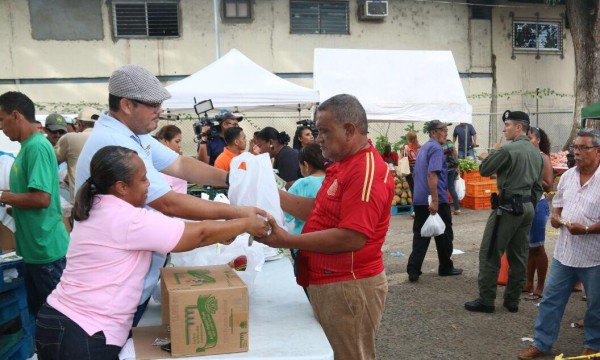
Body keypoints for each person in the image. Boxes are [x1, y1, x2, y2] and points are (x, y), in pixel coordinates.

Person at [35, 146, 269, 360]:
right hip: (82, 333)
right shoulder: (125, 218)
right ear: (122, 187)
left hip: (64, 323)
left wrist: (224, 228)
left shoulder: (100, 206)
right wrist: (244, 224)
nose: (149, 185)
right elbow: (198, 235)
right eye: (144, 179)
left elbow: (190, 233)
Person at [75, 64, 264, 326]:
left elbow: (180, 165)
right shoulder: (116, 142)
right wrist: (239, 215)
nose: (159, 111)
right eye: (153, 105)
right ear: (127, 105)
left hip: (123, 281)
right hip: (109, 291)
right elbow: (168, 203)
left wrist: (232, 178)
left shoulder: (133, 136)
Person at [256, 94, 393, 360]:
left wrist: (287, 240)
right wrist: (270, 194)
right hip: (331, 281)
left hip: (348, 284)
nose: (318, 138)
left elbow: (352, 237)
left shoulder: (366, 171)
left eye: (324, 132)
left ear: (349, 130)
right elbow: (319, 210)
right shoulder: (343, 164)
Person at [517, 128, 600, 359]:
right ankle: (542, 343)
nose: (577, 152)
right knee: (550, 300)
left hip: (594, 257)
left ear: (598, 151)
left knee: (596, 305)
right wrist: (555, 217)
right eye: (575, 147)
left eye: (584, 147)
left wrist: (585, 229)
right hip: (565, 253)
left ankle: (593, 344)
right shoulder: (567, 177)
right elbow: (559, 205)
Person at [465, 110, 543, 314]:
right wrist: (530, 206)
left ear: (519, 127)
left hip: (508, 207)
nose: (504, 128)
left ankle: (487, 300)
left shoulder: (508, 150)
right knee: (519, 255)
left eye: (507, 124)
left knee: (490, 251)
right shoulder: (536, 152)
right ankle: (512, 300)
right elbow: (538, 185)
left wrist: (496, 151)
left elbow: (484, 169)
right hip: (526, 207)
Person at [0, 91, 69, 316]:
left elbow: (41, 198)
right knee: (41, 317)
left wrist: (3, 196)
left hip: (45, 251)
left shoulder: (37, 147)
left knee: (54, 319)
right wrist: (13, 205)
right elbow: (28, 195)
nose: (1, 127)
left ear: (16, 115)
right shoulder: (27, 148)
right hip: (34, 250)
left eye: (2, 119)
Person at [406, 120, 463, 283]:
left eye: (446, 129)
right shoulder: (437, 149)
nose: (446, 132)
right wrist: (435, 201)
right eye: (442, 130)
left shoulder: (423, 148)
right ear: (433, 132)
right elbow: (432, 174)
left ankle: (413, 269)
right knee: (445, 234)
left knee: (421, 235)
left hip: (420, 198)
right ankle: (446, 267)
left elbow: (417, 174)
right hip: (435, 199)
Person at [523, 127, 553, 301]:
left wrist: (530, 176)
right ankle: (528, 283)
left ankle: (540, 287)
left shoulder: (543, 158)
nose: (527, 141)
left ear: (538, 140)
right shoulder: (527, 156)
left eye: (530, 137)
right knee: (529, 247)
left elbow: (548, 185)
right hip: (526, 205)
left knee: (538, 248)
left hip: (538, 205)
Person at [55, 107, 100, 204]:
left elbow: (52, 160)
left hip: (79, 203)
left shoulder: (69, 138)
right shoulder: (110, 138)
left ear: (79, 125)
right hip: (105, 203)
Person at [155, 124, 187, 194]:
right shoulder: (165, 163)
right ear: (165, 142)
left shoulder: (171, 161)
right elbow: (167, 195)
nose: (179, 146)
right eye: (177, 141)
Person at [399, 131, 420, 216]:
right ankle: (422, 208)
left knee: (413, 190)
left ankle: (415, 210)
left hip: (410, 171)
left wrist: (401, 151)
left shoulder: (406, 148)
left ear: (408, 139)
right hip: (419, 170)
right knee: (420, 189)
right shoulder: (420, 147)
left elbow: (402, 158)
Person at [443, 138, 461, 215]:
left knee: (443, 188)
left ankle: (445, 208)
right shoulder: (450, 143)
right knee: (451, 188)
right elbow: (455, 153)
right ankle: (457, 208)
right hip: (453, 167)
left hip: (444, 168)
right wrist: (457, 166)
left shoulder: (440, 144)